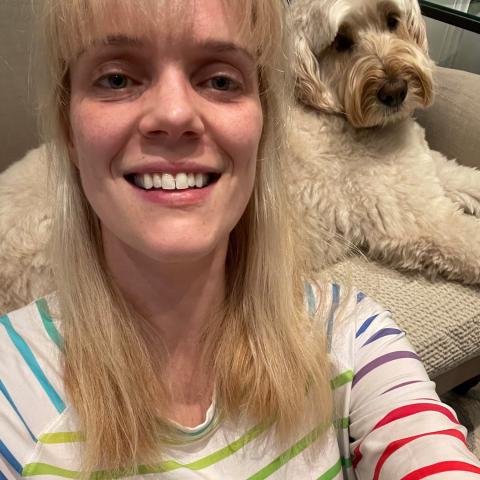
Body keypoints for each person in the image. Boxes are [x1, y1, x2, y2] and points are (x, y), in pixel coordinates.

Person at [1, 0, 479, 478]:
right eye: (116, 79)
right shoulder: (13, 395)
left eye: (220, 80)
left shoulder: (352, 333)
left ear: (264, 117)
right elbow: (430, 229)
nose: (174, 114)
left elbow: (436, 176)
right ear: (67, 125)